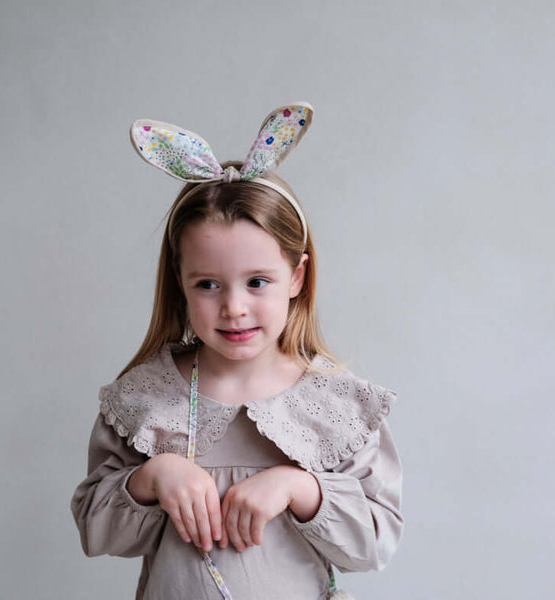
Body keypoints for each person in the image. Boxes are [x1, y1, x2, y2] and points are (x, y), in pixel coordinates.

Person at [71, 103, 403, 600]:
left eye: (257, 282)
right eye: (207, 284)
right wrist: (152, 477)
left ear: (297, 278)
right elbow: (98, 533)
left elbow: (373, 545)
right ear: (179, 284)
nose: (233, 307)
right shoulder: (147, 400)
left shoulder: (335, 406)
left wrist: (301, 488)